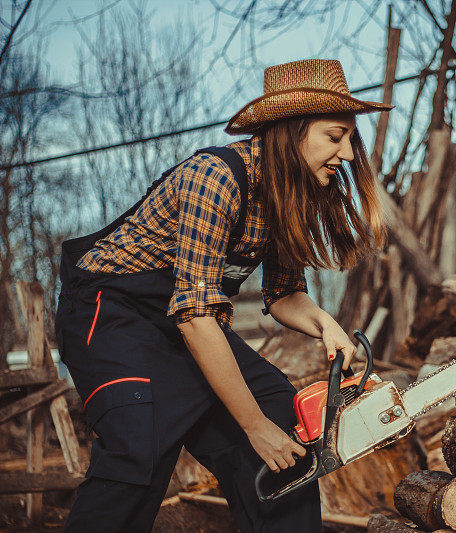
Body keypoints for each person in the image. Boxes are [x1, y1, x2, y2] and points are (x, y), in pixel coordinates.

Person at [54, 59, 390, 532]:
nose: (349, 154)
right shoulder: (216, 177)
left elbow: (283, 294)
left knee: (279, 415)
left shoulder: (284, 197)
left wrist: (326, 326)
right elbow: (194, 316)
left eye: (351, 140)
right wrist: (252, 427)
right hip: (114, 315)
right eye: (335, 137)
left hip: (188, 320)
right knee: (140, 445)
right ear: (292, 132)